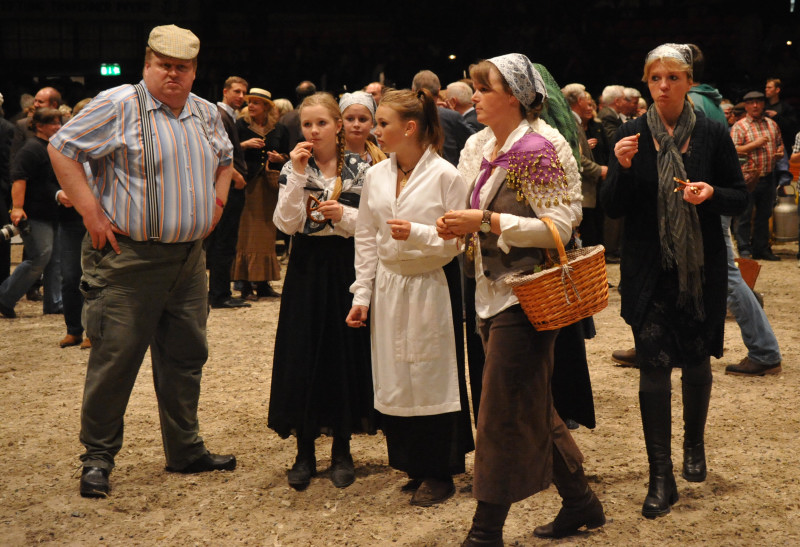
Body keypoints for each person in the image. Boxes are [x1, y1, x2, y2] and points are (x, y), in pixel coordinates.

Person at [48, 24, 237, 498]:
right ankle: (97, 457)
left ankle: (186, 449)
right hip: (127, 258)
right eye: (165, 65)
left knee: (185, 357)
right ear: (147, 64)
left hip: (189, 260)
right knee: (115, 359)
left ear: (195, 70)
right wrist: (92, 213)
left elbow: (225, 159)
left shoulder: (207, 112)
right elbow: (62, 148)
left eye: (183, 67)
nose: (174, 74)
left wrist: (214, 209)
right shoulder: (118, 104)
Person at [439, 54, 605, 545]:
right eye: (473, 86)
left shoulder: (539, 148)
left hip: (529, 295)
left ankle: (485, 529)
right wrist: (453, 228)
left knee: (497, 413)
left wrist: (489, 223)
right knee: (530, 405)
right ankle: (581, 502)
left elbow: (559, 227)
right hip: (489, 290)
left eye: (483, 87)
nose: (474, 95)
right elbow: (469, 209)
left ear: (512, 94)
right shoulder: (478, 145)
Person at [600, 43, 747, 518]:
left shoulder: (710, 133)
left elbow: (739, 197)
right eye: (655, 78)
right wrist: (620, 169)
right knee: (653, 370)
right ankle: (660, 476)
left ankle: (695, 442)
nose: (663, 86)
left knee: (698, 362)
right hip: (648, 272)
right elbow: (612, 208)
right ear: (647, 82)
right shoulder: (630, 135)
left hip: (697, 271)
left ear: (688, 82)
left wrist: (711, 193)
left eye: (673, 78)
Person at [346, 88, 474, 507]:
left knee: (430, 374)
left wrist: (417, 233)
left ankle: (440, 471)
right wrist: (361, 294)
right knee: (396, 372)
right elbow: (366, 235)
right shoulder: (376, 175)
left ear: (410, 127)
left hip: (428, 285)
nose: (375, 130)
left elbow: (459, 241)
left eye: (382, 123)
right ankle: (411, 464)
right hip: (388, 285)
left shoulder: (445, 175)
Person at [269, 92, 375, 491]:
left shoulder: (363, 168)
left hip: (346, 264)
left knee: (343, 353)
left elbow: (372, 223)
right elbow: (286, 224)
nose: (313, 131)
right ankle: (304, 450)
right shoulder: (296, 166)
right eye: (307, 125)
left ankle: (343, 449)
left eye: (321, 124)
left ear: (338, 125)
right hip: (306, 267)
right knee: (304, 351)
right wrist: (296, 175)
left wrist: (343, 215)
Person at [0, 107, 63, 319]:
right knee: (40, 256)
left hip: (50, 211)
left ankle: (54, 302)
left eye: (58, 122)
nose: (57, 127)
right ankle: (4, 297)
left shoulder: (49, 146)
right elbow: (18, 178)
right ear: (39, 126)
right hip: (34, 212)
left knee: (54, 258)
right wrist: (17, 207)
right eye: (53, 123)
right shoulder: (31, 148)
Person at [232, 87, 288, 300]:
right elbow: (227, 150)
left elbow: (289, 154)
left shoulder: (279, 129)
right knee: (246, 234)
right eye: (250, 102)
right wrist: (244, 145)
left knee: (267, 234)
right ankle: (245, 284)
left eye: (256, 102)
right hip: (248, 185)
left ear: (266, 107)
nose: (251, 106)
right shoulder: (241, 126)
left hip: (269, 187)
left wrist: (279, 158)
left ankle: (263, 284)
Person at [207, 76, 251, 309]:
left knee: (223, 241)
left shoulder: (227, 115)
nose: (241, 96)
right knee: (224, 241)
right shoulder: (219, 114)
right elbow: (216, 151)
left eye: (244, 92)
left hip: (230, 185)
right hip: (229, 186)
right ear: (225, 91)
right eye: (237, 91)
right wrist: (236, 176)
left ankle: (218, 291)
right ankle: (219, 293)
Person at [731, 90, 784, 261]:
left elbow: (780, 145)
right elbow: (734, 150)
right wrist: (755, 144)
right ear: (746, 106)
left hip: (768, 176)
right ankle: (744, 248)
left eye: (758, 102)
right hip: (748, 178)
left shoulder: (771, 124)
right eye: (751, 102)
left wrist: (779, 153)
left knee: (764, 215)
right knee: (745, 215)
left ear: (763, 104)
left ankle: (761, 248)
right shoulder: (740, 126)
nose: (755, 105)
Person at [338, 91, 386, 165]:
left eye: (362, 119)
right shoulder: (328, 156)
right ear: (340, 123)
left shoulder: (381, 158)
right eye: (350, 119)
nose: (356, 124)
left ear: (372, 123)